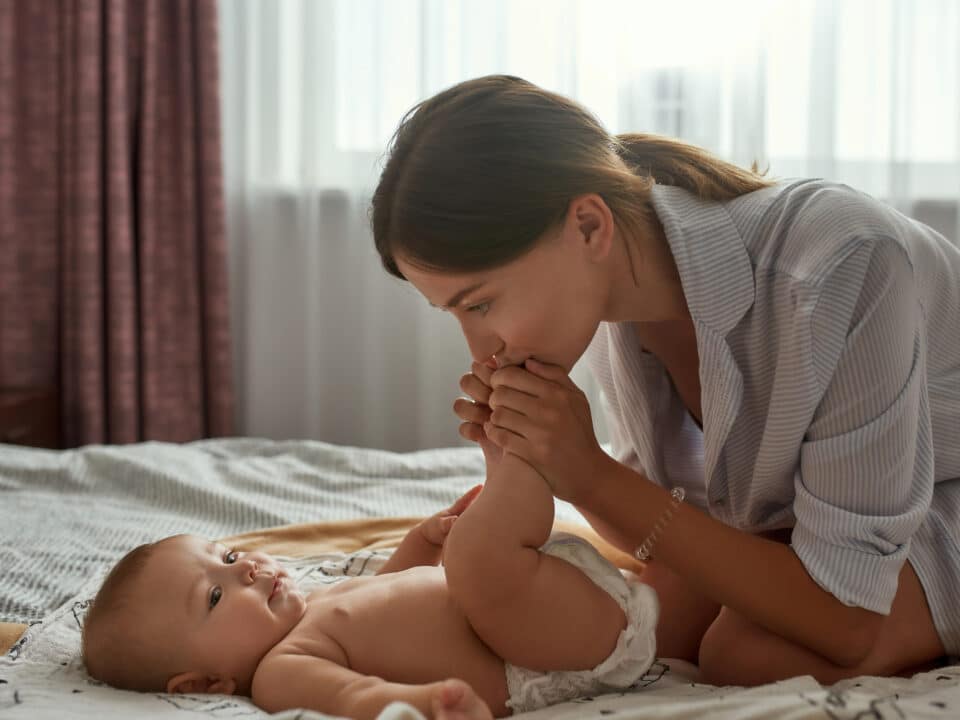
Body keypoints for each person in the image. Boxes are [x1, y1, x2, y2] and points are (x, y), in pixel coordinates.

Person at [370, 74, 960, 686]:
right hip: (859, 508)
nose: (479, 347)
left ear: (590, 226)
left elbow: (846, 619)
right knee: (654, 629)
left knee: (745, 655)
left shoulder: (839, 264)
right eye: (457, 314)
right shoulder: (610, 310)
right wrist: (557, 465)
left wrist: (590, 473)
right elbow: (668, 524)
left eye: (482, 304)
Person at [81, 444, 659, 719]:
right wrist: (421, 703)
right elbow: (355, 697)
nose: (246, 569)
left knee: (481, 551)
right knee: (486, 547)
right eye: (214, 593)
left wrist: (423, 542)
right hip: (539, 649)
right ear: (206, 683)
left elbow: (392, 588)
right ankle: (516, 455)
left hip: (549, 603)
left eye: (227, 555)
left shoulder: (317, 604)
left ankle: (519, 467)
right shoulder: (282, 672)